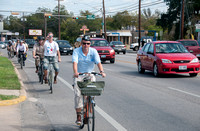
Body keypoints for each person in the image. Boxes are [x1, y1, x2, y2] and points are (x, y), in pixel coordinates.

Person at [72, 35, 106, 125]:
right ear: (81, 43)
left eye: (88, 43)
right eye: (84, 43)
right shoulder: (76, 51)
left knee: (93, 91)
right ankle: (79, 115)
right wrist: (76, 72)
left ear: (90, 44)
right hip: (79, 75)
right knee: (77, 94)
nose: (86, 45)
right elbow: (75, 63)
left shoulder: (93, 51)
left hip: (90, 74)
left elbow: (98, 62)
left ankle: (88, 107)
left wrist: (102, 72)